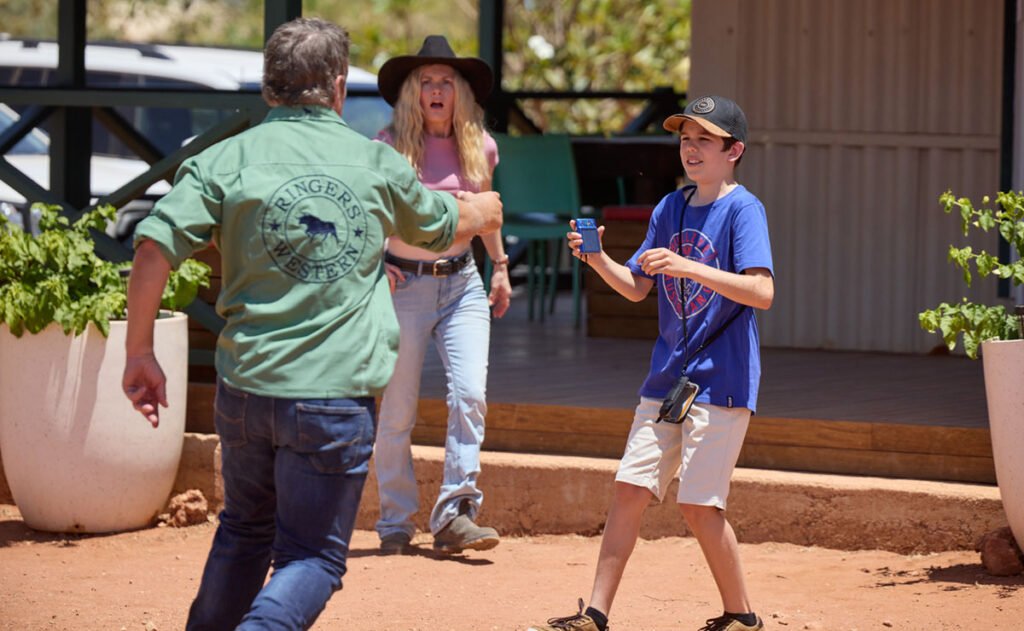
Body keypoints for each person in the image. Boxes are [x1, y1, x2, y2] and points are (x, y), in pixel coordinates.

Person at [121, 18, 502, 630]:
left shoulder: (224, 158)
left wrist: (139, 351)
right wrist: (481, 211)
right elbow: (440, 226)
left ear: (269, 87)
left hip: (246, 390)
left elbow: (151, 249)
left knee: (244, 531)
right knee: (312, 558)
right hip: (334, 399)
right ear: (339, 87)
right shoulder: (374, 161)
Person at [528, 95, 774, 631]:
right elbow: (638, 287)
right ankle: (595, 615)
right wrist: (597, 259)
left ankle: (742, 614)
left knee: (699, 506)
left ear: (734, 151)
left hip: (723, 381)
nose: (691, 149)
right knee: (629, 489)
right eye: (685, 139)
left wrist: (688, 267)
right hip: (667, 378)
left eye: (704, 140)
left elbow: (762, 291)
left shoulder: (743, 210)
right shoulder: (669, 208)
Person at [371, 35, 510, 555]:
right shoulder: (388, 146)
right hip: (403, 285)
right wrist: (377, 262)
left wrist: (500, 266)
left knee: (470, 395)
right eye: (426, 81)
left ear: (460, 93)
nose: (435, 90)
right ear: (413, 92)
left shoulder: (481, 146)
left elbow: (488, 212)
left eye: (446, 82)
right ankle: (395, 522)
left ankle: (455, 514)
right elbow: (371, 214)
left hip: (462, 283)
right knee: (397, 410)